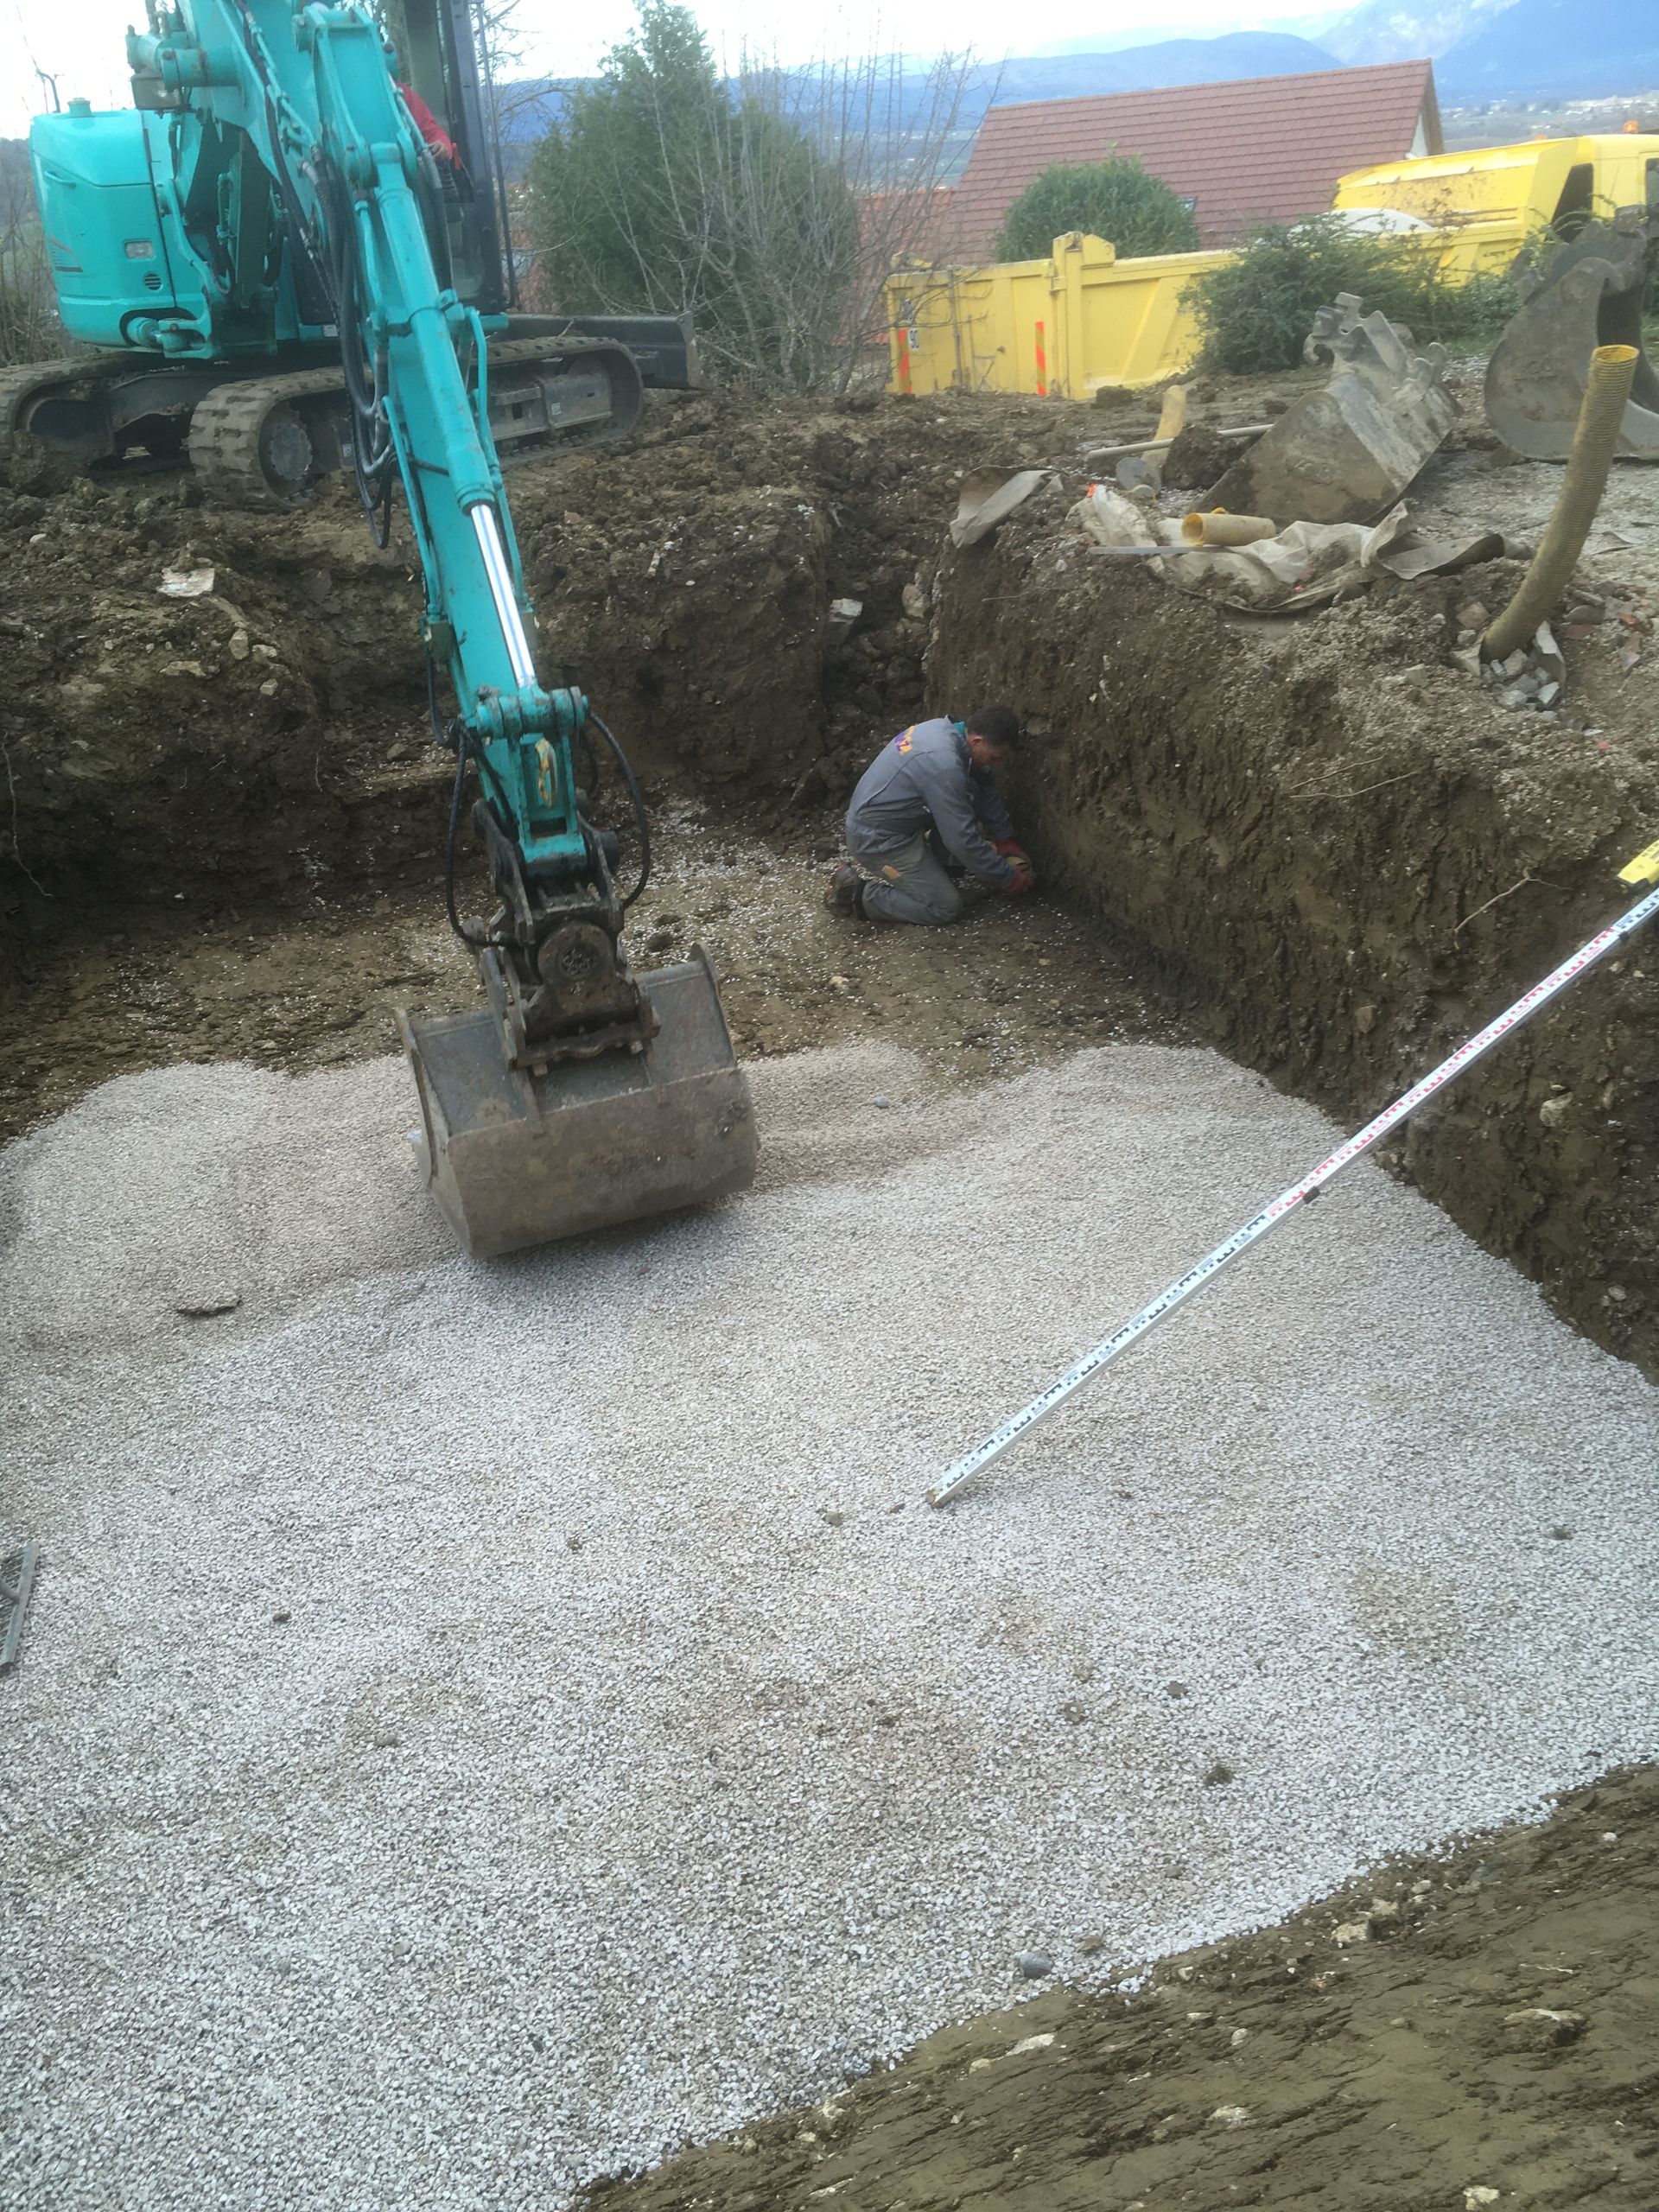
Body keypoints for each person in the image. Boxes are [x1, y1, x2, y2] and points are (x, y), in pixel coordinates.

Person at [824, 706, 1035, 925]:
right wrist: (1007, 877)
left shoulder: (943, 730)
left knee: (969, 788)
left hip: (891, 820)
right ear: (977, 741)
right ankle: (852, 894)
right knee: (945, 907)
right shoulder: (943, 765)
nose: (996, 764)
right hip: (877, 840)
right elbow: (961, 839)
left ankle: (943, 874)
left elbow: (983, 781)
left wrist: (1004, 839)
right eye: (994, 758)